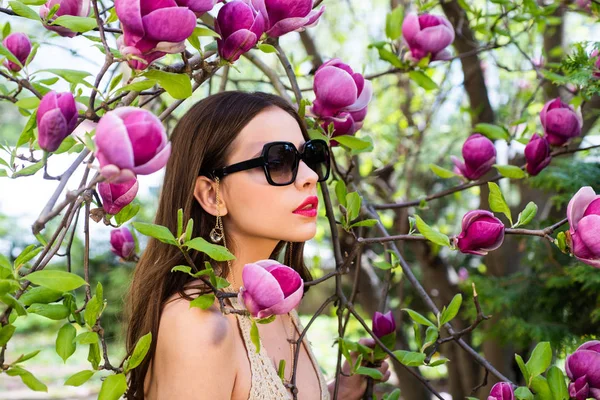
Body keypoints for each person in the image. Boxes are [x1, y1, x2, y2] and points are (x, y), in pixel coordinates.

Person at [124, 91, 390, 399]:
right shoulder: (198, 324)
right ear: (212, 195)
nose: (309, 177)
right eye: (278, 161)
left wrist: (338, 392)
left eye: (312, 156)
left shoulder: (271, 304)